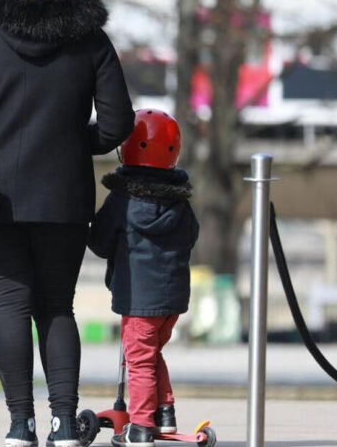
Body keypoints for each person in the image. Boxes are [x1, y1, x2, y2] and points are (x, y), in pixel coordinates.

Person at [0, 0, 135, 444]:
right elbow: (117, 124)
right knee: (57, 306)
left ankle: (19, 425)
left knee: (9, 303)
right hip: (65, 197)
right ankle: (65, 424)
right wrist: (72, 143)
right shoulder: (91, 41)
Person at [88, 110, 200, 447]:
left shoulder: (122, 200)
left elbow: (100, 242)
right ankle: (164, 413)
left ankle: (139, 426)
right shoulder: (181, 204)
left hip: (139, 299)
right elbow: (192, 236)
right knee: (151, 355)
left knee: (137, 360)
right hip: (173, 300)